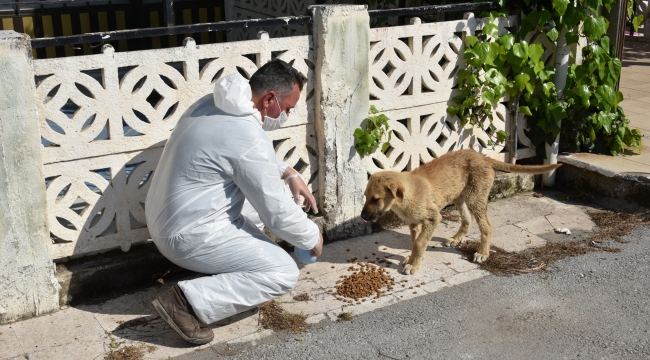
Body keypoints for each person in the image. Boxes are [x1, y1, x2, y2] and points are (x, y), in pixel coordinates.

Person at [144, 59, 324, 345]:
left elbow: (242, 156)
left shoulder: (212, 104)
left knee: (256, 205)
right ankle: (185, 303)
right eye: (287, 108)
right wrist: (312, 236)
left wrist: (288, 172)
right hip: (187, 235)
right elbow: (275, 213)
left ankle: (233, 277)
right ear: (269, 99)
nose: (287, 115)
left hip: (165, 217)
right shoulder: (246, 134)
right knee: (282, 272)